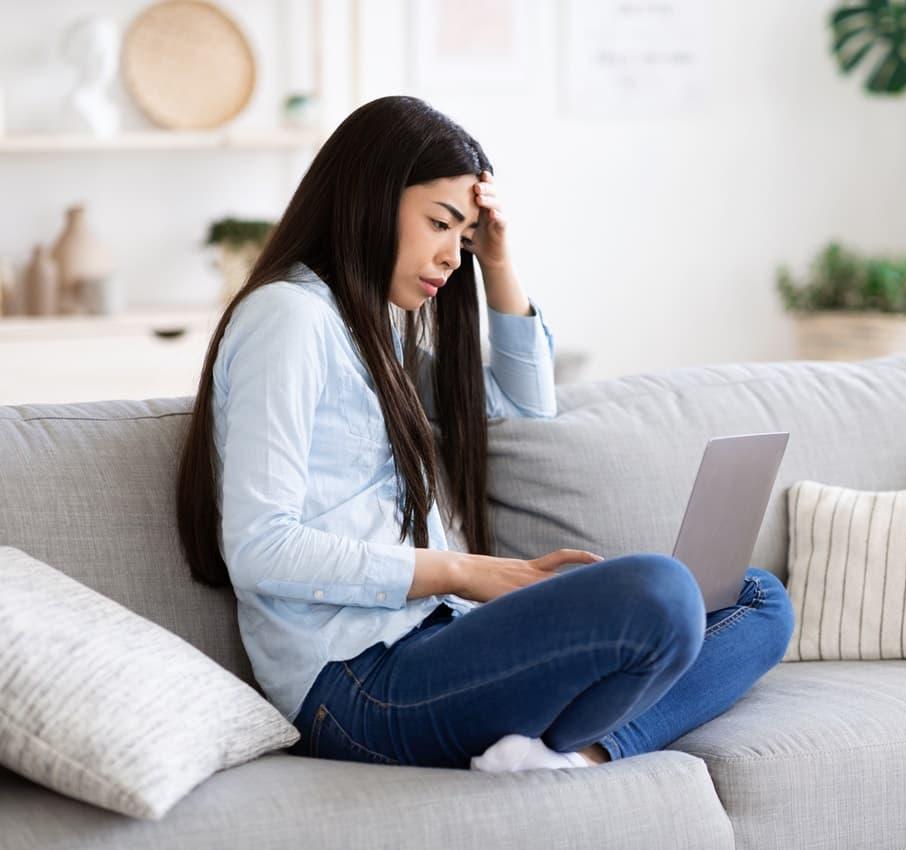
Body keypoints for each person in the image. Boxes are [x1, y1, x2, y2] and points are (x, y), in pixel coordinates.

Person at [175, 95, 794, 771]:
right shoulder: (290, 318)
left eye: (462, 238)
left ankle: (579, 752)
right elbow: (261, 547)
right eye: (439, 224)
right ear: (369, 197)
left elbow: (526, 416)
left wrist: (498, 262)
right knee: (661, 594)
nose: (449, 257)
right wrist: (465, 572)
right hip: (355, 688)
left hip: (439, 642)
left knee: (757, 599)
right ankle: (568, 741)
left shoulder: (377, 333)